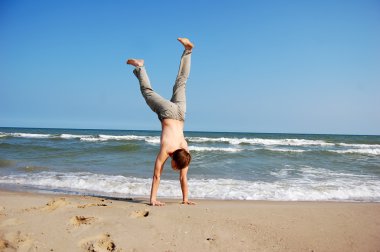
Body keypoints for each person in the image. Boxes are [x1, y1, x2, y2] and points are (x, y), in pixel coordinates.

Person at [127, 38, 195, 206]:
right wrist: (153, 200)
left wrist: (185, 200)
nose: (176, 168)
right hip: (167, 112)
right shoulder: (167, 150)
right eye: (175, 166)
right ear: (174, 160)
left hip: (181, 113)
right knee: (147, 92)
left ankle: (188, 51)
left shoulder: (185, 152)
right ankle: (140, 66)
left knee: (182, 81)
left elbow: (183, 177)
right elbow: (157, 175)